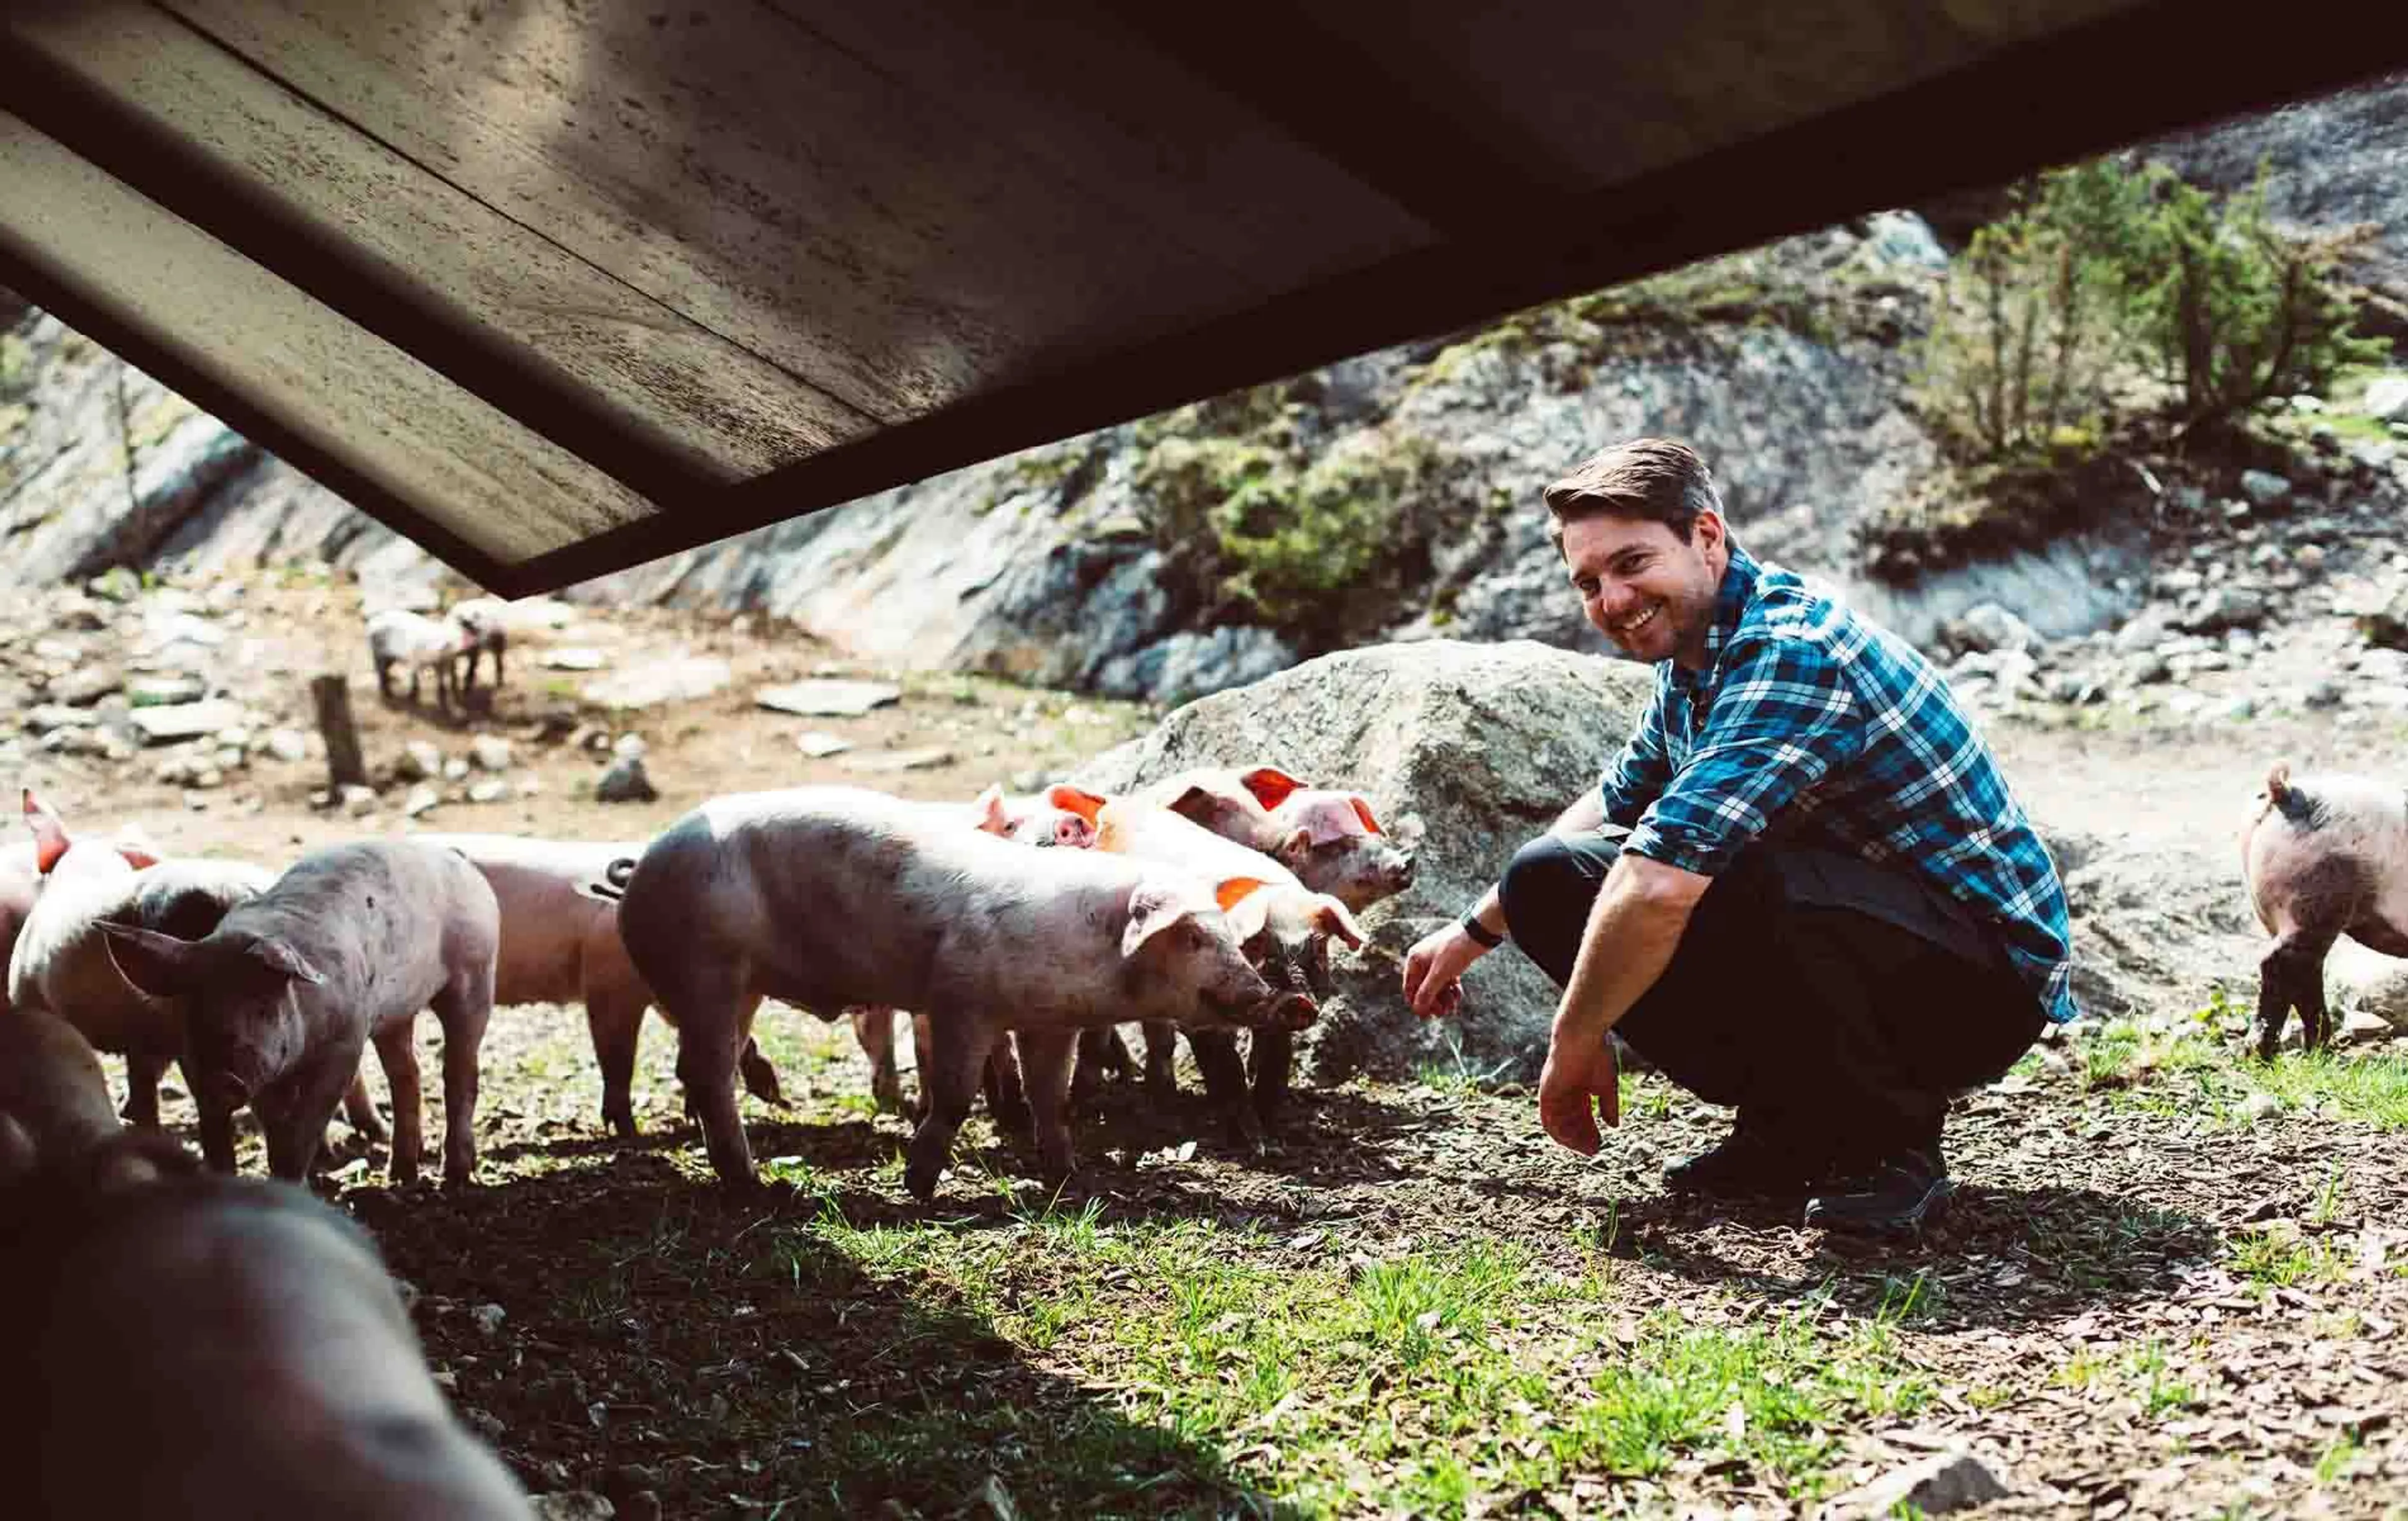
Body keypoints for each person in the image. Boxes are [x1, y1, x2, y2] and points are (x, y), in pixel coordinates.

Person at [1400, 438, 2074, 1233]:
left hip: (1983, 985)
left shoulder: (1788, 651)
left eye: (1632, 563)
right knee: (1548, 876)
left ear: (1707, 539)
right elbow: (1616, 801)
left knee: (1727, 876)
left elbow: (1657, 881)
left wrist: (1573, 1039)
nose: (1613, 599)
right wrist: (1476, 930)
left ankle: (1890, 1146)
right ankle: (1794, 1126)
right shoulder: (1696, 653)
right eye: (1590, 582)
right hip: (1881, 935)